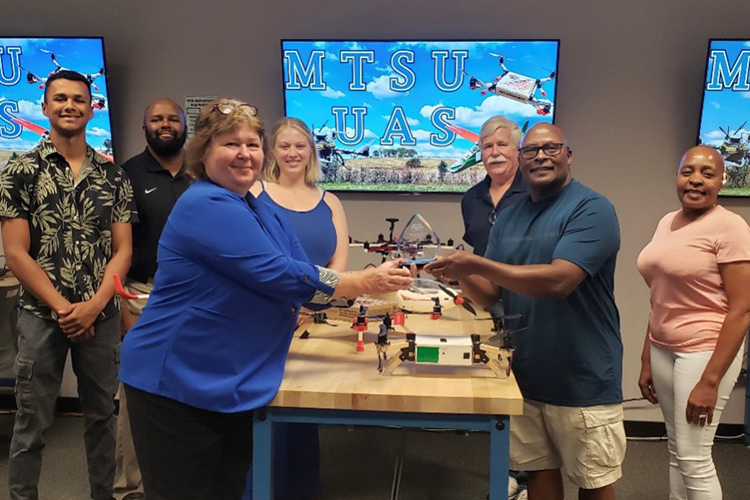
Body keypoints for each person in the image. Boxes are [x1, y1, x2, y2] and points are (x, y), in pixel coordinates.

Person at [118, 98, 413, 500]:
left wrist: (358, 284)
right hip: (174, 382)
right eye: (230, 144)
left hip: (224, 378)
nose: (244, 154)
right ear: (203, 152)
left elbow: (303, 272)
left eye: (253, 144)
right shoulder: (204, 204)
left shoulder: (258, 207)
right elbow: (280, 274)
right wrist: (361, 281)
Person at [425, 123, 625, 500]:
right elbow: (489, 294)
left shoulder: (591, 208)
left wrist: (476, 264)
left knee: (593, 480)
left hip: (581, 375)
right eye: (532, 151)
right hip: (526, 373)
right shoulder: (511, 216)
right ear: (522, 160)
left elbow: (559, 280)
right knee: (538, 472)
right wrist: (459, 272)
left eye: (550, 148)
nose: (540, 157)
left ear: (568, 154)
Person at [0, 70, 136, 500]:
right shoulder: (19, 169)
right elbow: (16, 253)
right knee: (32, 423)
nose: (69, 106)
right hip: (41, 318)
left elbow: (123, 251)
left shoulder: (113, 176)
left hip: (101, 316)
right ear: (44, 107)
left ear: (92, 107)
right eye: (59, 98)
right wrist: (65, 308)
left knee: (102, 419)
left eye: (78, 98)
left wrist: (94, 306)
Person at [637, 145, 750, 500]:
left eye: (707, 173)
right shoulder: (666, 222)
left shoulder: (730, 226)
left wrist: (710, 381)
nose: (696, 180)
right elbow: (661, 295)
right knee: (676, 452)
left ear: (721, 181)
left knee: (694, 458)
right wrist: (646, 358)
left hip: (704, 351)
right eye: (688, 172)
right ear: (678, 177)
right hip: (663, 347)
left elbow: (743, 309)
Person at [249, 117, 348, 500]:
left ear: (311, 151)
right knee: (265, 411)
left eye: (300, 146)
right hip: (266, 321)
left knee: (303, 415)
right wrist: (290, 302)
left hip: (316, 323)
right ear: (273, 151)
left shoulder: (331, 201)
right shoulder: (254, 193)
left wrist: (314, 303)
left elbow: (339, 264)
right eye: (285, 146)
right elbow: (254, 262)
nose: (292, 153)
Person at [113, 98, 190, 500]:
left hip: (198, 299)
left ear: (184, 125)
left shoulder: (204, 173)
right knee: (136, 397)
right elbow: (117, 248)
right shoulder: (126, 174)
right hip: (144, 296)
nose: (164, 124)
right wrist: (124, 306)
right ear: (145, 128)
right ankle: (130, 488)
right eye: (156, 119)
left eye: (171, 119)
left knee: (191, 392)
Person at [460, 115, 528, 257]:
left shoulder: (536, 193)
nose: (495, 152)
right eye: (488, 146)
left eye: (502, 144)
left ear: (517, 150)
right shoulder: (471, 198)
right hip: (482, 278)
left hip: (526, 278)